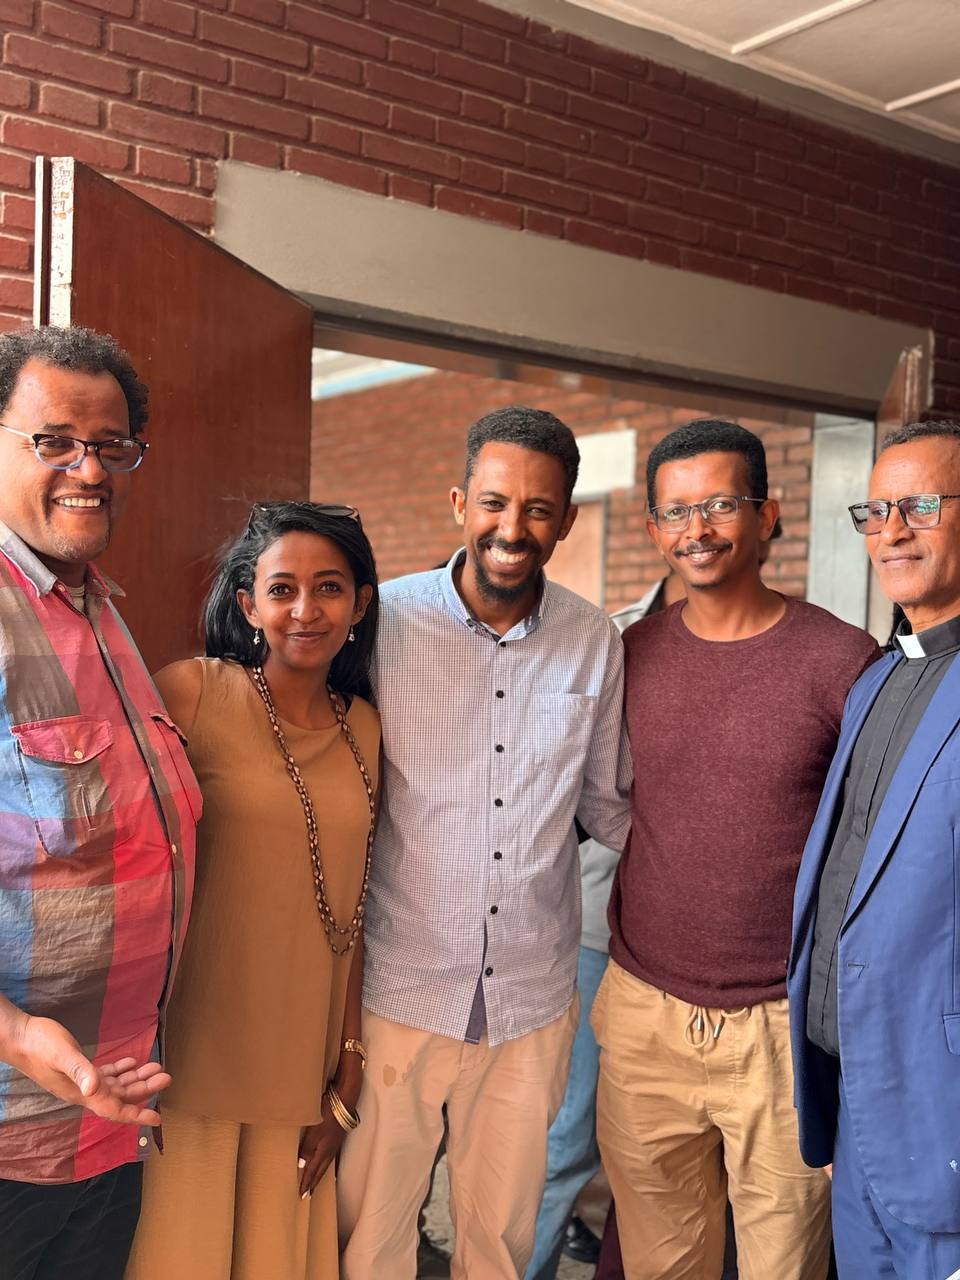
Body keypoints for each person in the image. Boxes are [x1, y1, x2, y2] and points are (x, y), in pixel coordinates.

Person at [337, 405, 632, 1279]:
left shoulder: (595, 639)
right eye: (496, 503)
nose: (513, 529)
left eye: (538, 509)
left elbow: (611, 806)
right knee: (369, 1236)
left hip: (532, 998)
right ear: (460, 502)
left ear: (565, 520)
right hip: (399, 987)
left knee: (499, 1241)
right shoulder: (382, 620)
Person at [594, 419, 879, 1280]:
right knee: (659, 1263)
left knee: (784, 1264)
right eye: (676, 511)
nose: (698, 529)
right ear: (654, 529)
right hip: (645, 1013)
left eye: (720, 504)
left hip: (782, 1030)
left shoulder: (842, 660)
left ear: (768, 515)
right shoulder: (630, 655)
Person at [125, 501, 380, 1280]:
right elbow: (125, 866)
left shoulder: (366, 728)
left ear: (360, 605)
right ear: (247, 604)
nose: (306, 609)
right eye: (282, 589)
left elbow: (353, 907)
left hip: (302, 1057)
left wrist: (349, 1061)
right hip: (191, 1051)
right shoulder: (192, 692)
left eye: (329, 588)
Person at [0, 326, 198, 1280]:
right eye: (54, 442)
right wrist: (13, 1036)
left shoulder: (100, 608)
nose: (89, 469)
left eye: (111, 446)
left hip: (110, 1118)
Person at [789, 419, 960, 1278]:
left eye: (921, 505)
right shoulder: (878, 678)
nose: (891, 530)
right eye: (875, 510)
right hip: (858, 1104)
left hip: (942, 1119)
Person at [526, 571, 683, 1280]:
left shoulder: (772, 644)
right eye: (678, 517)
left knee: (658, 1142)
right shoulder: (611, 639)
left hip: (685, 943)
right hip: (594, 928)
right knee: (567, 1137)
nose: (699, 530)